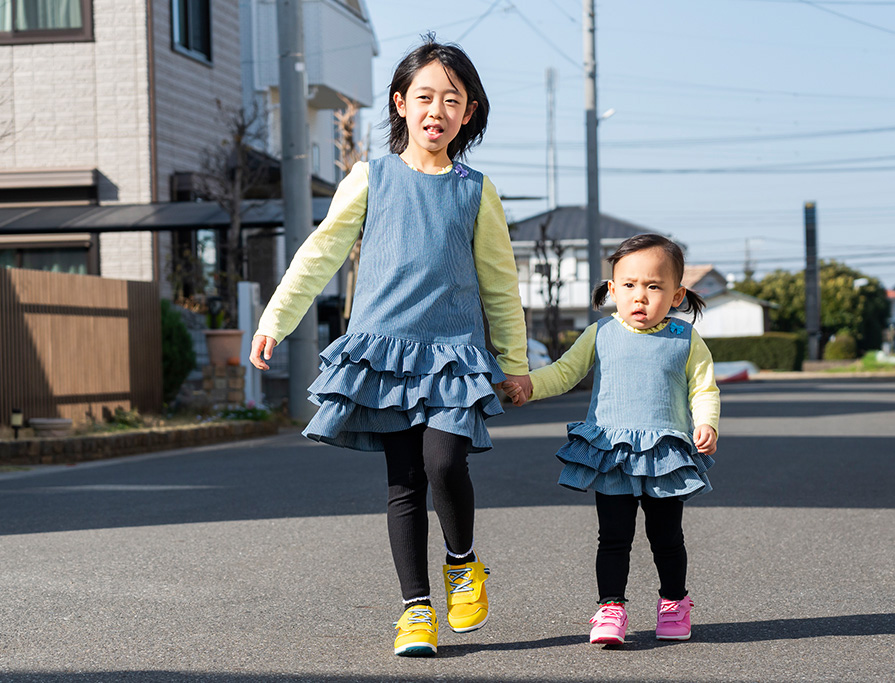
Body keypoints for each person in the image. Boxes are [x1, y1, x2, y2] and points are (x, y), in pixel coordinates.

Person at [249, 36, 531, 658]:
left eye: (452, 100)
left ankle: (463, 562)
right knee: (403, 482)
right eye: (425, 96)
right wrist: (276, 319)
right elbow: (321, 250)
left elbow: (499, 282)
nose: (437, 110)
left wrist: (514, 364)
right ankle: (415, 611)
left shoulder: (476, 191)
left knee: (443, 462)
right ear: (401, 104)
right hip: (384, 354)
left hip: (453, 354)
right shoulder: (369, 177)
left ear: (470, 113)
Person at [502, 234, 720, 645]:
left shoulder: (684, 339)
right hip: (613, 453)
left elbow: (703, 388)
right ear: (612, 290)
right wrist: (529, 385)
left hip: (663, 455)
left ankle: (674, 603)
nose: (641, 297)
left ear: (677, 295)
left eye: (654, 287)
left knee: (667, 537)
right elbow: (565, 372)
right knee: (613, 536)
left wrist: (706, 422)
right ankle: (610, 609)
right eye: (630, 286)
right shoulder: (599, 333)